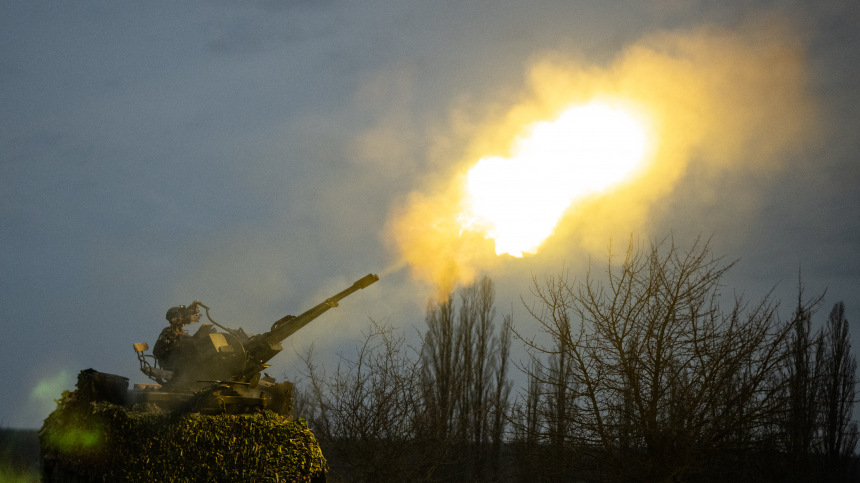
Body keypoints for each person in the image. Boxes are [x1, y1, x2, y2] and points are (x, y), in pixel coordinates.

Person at [152, 302, 202, 371]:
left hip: (180, 361)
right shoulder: (168, 331)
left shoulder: (181, 332)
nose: (183, 318)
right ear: (174, 318)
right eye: (180, 316)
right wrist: (173, 348)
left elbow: (191, 341)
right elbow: (156, 351)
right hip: (172, 364)